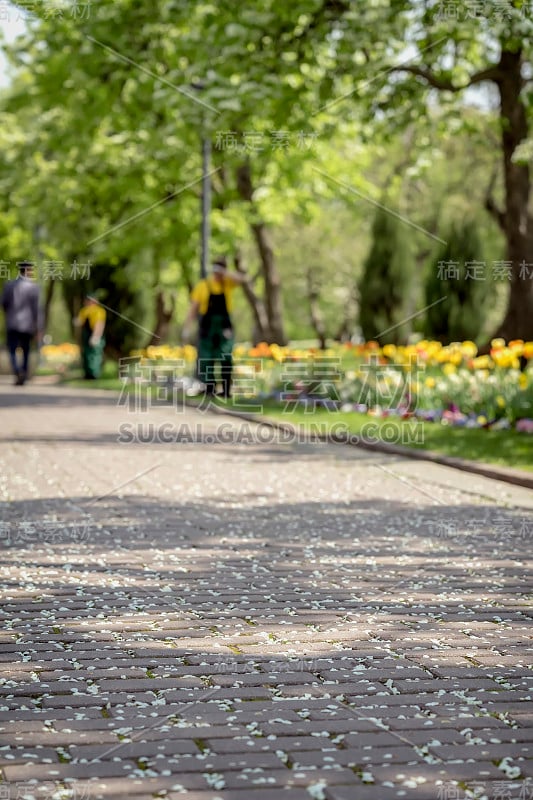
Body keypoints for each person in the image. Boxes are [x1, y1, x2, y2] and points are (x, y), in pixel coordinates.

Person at [183, 258, 247, 398]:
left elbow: (242, 279)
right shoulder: (203, 285)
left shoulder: (228, 283)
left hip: (224, 326)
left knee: (225, 356)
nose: (217, 274)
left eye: (219, 271)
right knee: (206, 358)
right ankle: (209, 388)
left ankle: (226, 389)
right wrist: (187, 326)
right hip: (207, 326)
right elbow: (193, 307)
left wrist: (226, 273)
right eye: (215, 271)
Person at [1, 260, 42, 386]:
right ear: (28, 271)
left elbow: (3, 303)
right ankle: (23, 373)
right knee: (26, 350)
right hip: (27, 325)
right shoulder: (34, 287)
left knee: (12, 350)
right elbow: (37, 310)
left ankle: (17, 371)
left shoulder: (9, 285)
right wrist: (39, 327)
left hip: (12, 323)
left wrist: (9, 314)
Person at [74, 294, 106, 380]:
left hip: (94, 335)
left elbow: (99, 325)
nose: (86, 302)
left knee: (94, 355)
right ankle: (87, 375)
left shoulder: (99, 311)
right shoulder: (84, 310)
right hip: (86, 336)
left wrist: (96, 336)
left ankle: (94, 375)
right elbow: (80, 322)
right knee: (86, 355)